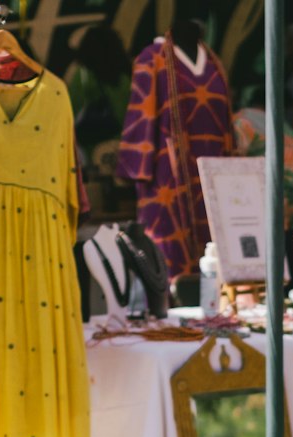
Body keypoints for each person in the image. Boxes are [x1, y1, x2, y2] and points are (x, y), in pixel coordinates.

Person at [117, 2, 234, 279]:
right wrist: (137, 169)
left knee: (213, 258)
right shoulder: (152, 58)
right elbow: (142, 115)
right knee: (169, 260)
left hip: (209, 177)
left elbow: (226, 124)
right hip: (168, 175)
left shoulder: (214, 62)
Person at [234, 87, 293, 289]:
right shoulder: (280, 122)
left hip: (281, 199)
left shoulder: (240, 121)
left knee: (281, 272)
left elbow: (236, 161)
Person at [68, 26, 133, 170]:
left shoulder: (83, 76)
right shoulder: (127, 73)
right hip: (129, 145)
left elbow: (70, 112)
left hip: (94, 149)